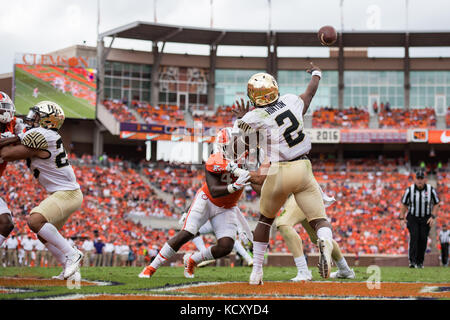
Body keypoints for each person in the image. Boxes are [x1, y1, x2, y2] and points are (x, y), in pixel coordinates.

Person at [232, 63, 337, 285]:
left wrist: (241, 120)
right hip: (303, 168)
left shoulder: (254, 116)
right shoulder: (291, 100)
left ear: (253, 96)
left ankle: (257, 271)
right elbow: (309, 95)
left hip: (279, 170)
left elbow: (238, 146)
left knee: (265, 220)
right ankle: (325, 246)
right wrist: (317, 74)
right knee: (319, 221)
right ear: (275, 88)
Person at [139, 127, 252, 279]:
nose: (232, 150)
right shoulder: (214, 160)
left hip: (227, 208)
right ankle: (151, 267)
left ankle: (192, 260)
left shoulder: (247, 156)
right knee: (187, 232)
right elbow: (213, 190)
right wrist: (234, 186)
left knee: (226, 247)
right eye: (228, 146)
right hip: (207, 200)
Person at [0, 100, 84, 279]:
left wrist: (9, 137)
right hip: (64, 193)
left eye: (37, 116)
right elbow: (20, 134)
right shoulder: (44, 133)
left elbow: (6, 154)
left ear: (47, 120)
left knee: (35, 220)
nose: (32, 119)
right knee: (44, 234)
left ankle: (72, 254)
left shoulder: (44, 134)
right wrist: (14, 134)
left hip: (67, 194)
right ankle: (69, 272)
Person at [276, 194, 354, 281]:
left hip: (298, 193)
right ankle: (345, 269)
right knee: (317, 237)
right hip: (310, 193)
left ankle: (303, 271)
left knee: (282, 224)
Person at [0, 91, 26, 249]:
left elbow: (26, 134)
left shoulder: (13, 123)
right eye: (3, 108)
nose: (7, 111)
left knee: (6, 223)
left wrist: (22, 134)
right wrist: (17, 138)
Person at [400, 170, 440, 268]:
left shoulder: (430, 190)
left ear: (425, 179)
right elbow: (404, 204)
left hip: (425, 218)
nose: (420, 180)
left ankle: (420, 262)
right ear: (415, 179)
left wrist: (433, 216)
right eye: (418, 178)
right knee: (414, 236)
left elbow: (436, 203)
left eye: (421, 178)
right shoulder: (410, 190)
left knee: (423, 239)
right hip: (413, 217)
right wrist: (402, 217)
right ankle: (412, 261)